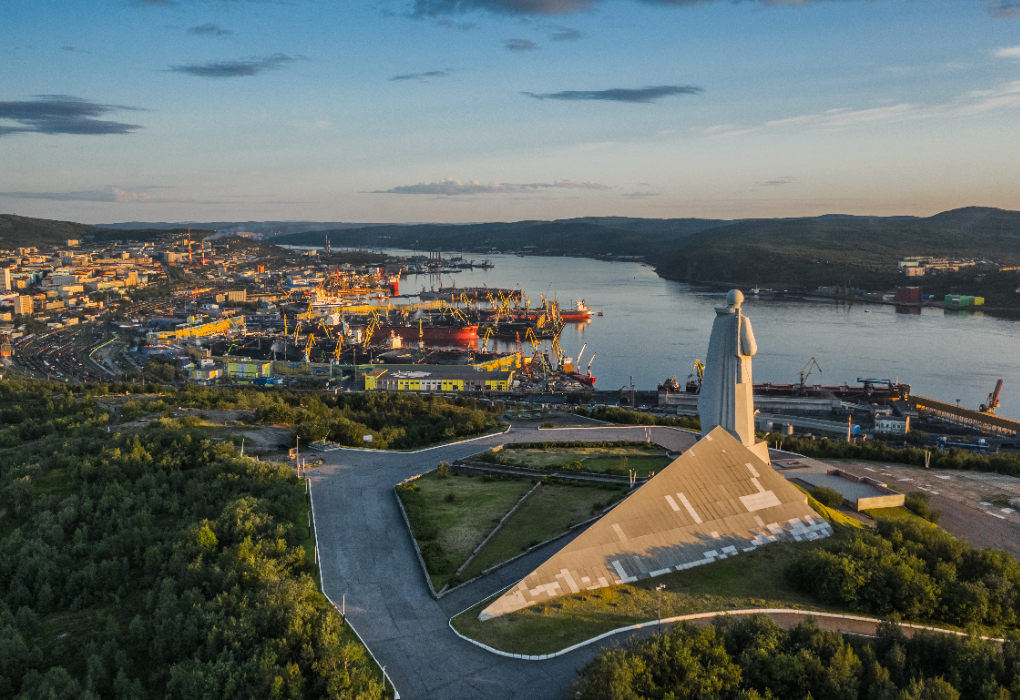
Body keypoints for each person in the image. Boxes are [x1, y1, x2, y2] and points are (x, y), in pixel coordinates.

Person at [698, 289, 757, 445]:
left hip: (716, 377)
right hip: (736, 376)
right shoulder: (743, 320)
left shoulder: (718, 320)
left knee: (716, 408)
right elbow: (750, 349)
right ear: (741, 300)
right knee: (738, 413)